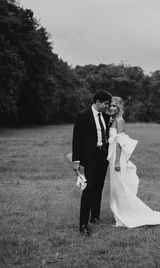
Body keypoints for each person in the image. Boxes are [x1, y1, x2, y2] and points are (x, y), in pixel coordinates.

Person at [107, 96, 160, 228]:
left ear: (119, 107)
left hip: (117, 158)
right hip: (113, 156)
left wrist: (118, 161)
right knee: (116, 186)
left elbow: (120, 142)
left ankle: (125, 213)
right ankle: (120, 212)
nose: (112, 108)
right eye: (111, 105)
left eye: (115, 106)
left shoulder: (119, 120)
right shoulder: (113, 120)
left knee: (120, 186)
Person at [72, 90, 112, 236]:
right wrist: (76, 161)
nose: (108, 106)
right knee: (89, 188)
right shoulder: (83, 115)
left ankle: (95, 217)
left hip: (103, 156)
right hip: (90, 158)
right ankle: (83, 224)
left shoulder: (106, 117)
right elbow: (76, 139)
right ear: (98, 102)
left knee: (99, 187)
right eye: (106, 104)